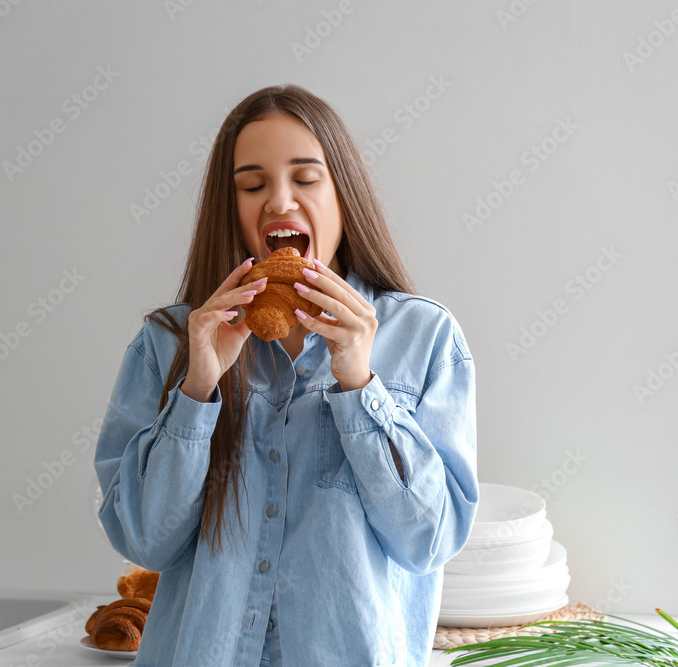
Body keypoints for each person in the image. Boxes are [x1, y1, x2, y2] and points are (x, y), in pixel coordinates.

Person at [93, 84, 479, 666]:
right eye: (252, 184)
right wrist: (199, 388)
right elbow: (146, 540)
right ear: (232, 207)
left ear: (342, 195)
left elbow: (429, 540)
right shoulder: (169, 341)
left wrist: (360, 385)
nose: (278, 201)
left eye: (305, 178)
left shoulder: (425, 338)